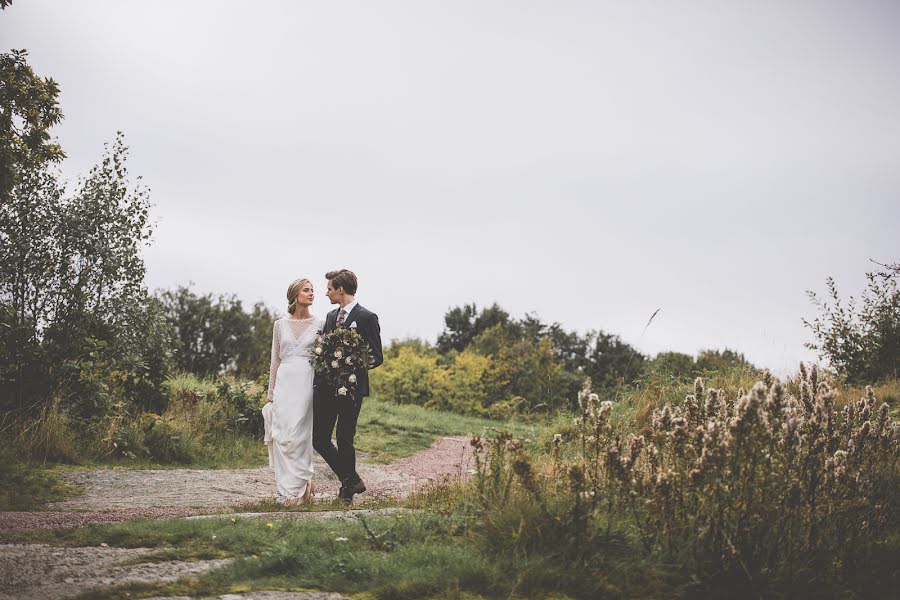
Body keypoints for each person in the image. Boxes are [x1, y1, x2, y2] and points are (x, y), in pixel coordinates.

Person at [312, 269, 383, 504]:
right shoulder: (332, 317)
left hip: (352, 390)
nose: (326, 293)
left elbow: (376, 356)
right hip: (327, 389)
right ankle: (351, 478)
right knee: (320, 438)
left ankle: (346, 491)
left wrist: (352, 365)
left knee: (344, 438)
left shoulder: (367, 318)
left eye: (329, 289)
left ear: (340, 289)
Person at [266, 278, 323, 505]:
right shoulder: (279, 325)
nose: (311, 294)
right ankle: (286, 489)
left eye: (313, 291)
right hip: (284, 382)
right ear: (295, 295)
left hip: (307, 382)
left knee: (301, 435)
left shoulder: (320, 324)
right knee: (282, 435)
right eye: (306, 290)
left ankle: (299, 489)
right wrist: (270, 393)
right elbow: (274, 361)